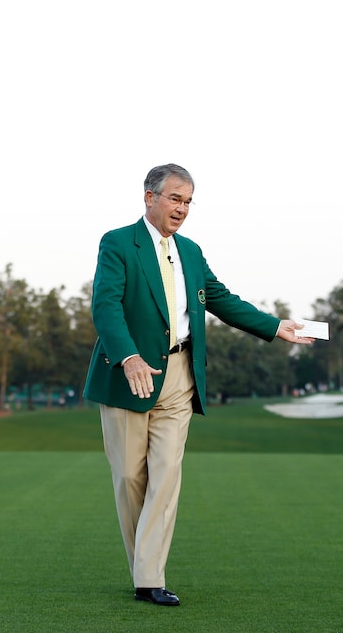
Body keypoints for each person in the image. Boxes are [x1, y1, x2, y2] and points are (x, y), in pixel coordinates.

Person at [83, 164, 315, 606]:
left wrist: (274, 326)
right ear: (149, 197)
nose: (182, 209)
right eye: (175, 199)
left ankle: (149, 578)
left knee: (166, 476)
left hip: (180, 376)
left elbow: (221, 299)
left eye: (188, 201)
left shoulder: (190, 250)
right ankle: (143, 569)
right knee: (131, 476)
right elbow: (106, 305)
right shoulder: (117, 243)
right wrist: (128, 355)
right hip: (129, 376)